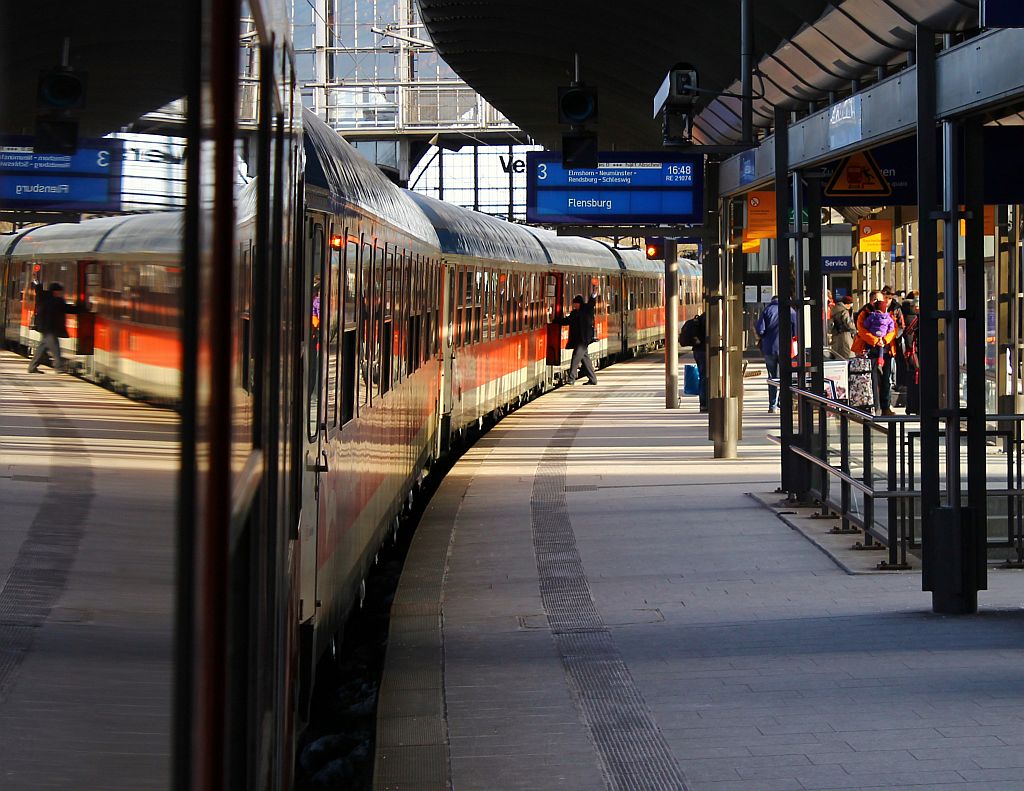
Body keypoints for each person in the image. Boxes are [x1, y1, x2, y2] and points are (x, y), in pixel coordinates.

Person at [852, 289, 899, 415]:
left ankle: (885, 406)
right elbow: (861, 330)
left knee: (886, 379)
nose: (879, 302)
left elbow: (893, 329)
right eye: (876, 300)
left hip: (887, 350)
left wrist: (884, 340)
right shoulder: (865, 313)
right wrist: (875, 341)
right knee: (872, 378)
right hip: (870, 350)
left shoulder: (888, 313)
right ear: (871, 301)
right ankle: (875, 406)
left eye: (881, 300)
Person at [755, 295, 798, 414]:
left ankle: (772, 405)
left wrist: (766, 337)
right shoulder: (791, 311)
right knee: (785, 376)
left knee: (772, 377)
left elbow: (760, 329)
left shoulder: (767, 310)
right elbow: (796, 331)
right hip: (786, 349)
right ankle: (783, 402)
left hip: (769, 348)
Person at [27, 282, 79, 374]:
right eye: (59, 291)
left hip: (44, 328)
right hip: (49, 329)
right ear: (55, 291)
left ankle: (32, 367)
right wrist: (81, 309)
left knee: (42, 348)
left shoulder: (44, 299)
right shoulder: (55, 301)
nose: (60, 293)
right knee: (55, 348)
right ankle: (59, 367)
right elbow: (67, 308)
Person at [556, 288, 598, 385]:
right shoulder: (575, 313)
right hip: (578, 340)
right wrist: (556, 321)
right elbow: (567, 320)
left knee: (575, 357)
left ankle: (571, 378)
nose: (574, 305)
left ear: (579, 303)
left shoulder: (587, 309)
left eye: (575, 303)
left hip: (583, 340)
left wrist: (593, 295)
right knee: (585, 359)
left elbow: (592, 303)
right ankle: (593, 379)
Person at [680, 312, 707, 412]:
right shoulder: (711, 318)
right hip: (705, 351)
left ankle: (703, 404)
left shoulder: (702, 317)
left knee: (703, 377)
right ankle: (704, 403)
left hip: (698, 351)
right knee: (705, 378)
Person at [829, 295, 856, 359]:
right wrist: (855, 330)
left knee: (838, 355)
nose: (850, 307)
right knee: (848, 355)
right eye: (850, 305)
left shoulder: (834, 310)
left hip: (836, 335)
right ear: (847, 304)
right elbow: (849, 324)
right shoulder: (844, 311)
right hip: (845, 336)